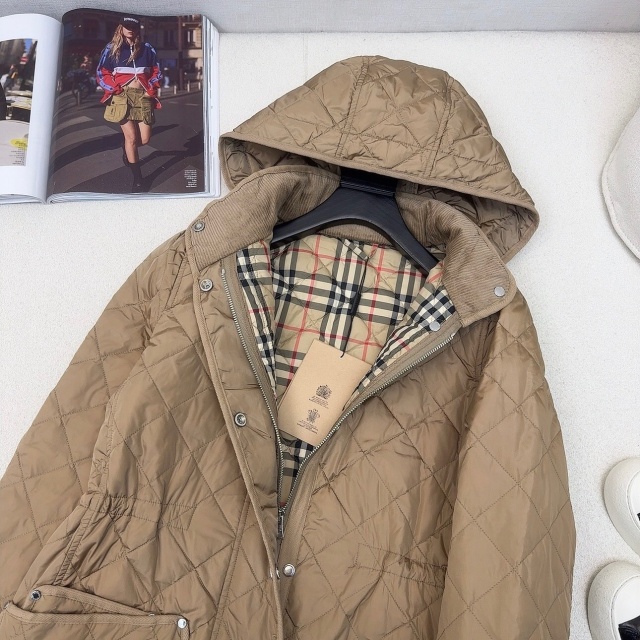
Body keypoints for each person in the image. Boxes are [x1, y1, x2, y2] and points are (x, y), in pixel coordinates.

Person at [96, 16, 162, 192]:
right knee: (131, 138)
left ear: (138, 28)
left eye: (133, 26)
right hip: (122, 95)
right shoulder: (112, 48)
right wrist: (114, 88)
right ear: (121, 27)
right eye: (127, 26)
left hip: (143, 96)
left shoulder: (147, 48)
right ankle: (138, 179)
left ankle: (126, 148)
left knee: (145, 139)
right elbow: (102, 72)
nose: (130, 29)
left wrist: (151, 89)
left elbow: (156, 71)